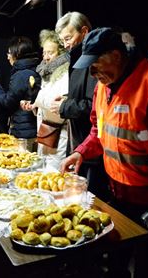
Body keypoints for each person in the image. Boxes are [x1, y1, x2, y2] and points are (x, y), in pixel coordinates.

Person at [61, 27, 148, 277]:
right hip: (117, 191)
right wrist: (81, 152)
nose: (92, 72)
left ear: (116, 55)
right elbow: (98, 131)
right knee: (117, 261)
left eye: (95, 64)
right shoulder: (103, 86)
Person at [53, 11, 111, 201]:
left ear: (85, 31)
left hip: (96, 151)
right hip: (83, 144)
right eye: (63, 41)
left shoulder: (94, 62)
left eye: (68, 38)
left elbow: (93, 109)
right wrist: (67, 98)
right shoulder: (77, 60)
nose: (66, 44)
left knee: (94, 198)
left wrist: (65, 107)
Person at [21, 29, 69, 169]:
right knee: (44, 169)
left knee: (54, 172)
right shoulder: (47, 73)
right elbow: (44, 101)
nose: (46, 57)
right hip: (45, 132)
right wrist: (33, 106)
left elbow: (58, 104)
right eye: (44, 52)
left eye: (51, 52)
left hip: (58, 133)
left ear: (60, 53)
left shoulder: (65, 73)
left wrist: (37, 100)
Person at [0, 36, 41, 151]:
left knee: (25, 164)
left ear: (17, 54)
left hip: (24, 130)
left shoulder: (21, 75)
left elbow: (8, 102)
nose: (7, 56)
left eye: (9, 53)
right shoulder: (34, 68)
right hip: (32, 127)